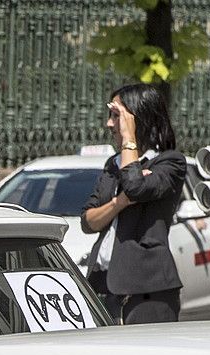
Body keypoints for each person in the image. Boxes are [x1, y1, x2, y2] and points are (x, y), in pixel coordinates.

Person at [80, 83, 188, 324]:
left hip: (146, 290)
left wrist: (129, 139)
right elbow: (88, 221)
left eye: (116, 116)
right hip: (102, 284)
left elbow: (135, 187)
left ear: (138, 118)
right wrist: (119, 203)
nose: (109, 124)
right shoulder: (113, 164)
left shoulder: (170, 163)